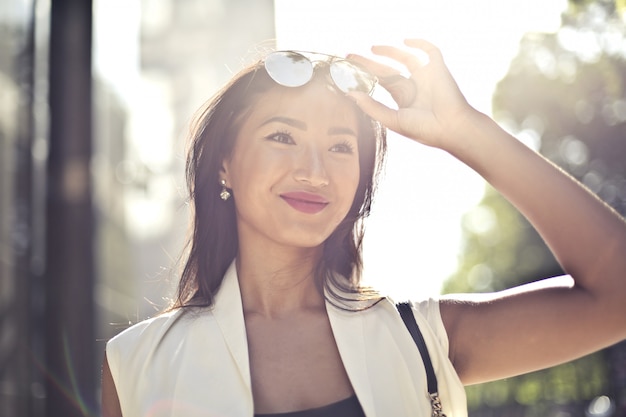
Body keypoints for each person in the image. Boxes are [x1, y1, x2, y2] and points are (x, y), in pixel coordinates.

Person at [101, 39, 626, 417]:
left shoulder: (420, 340)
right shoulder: (134, 366)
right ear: (224, 165)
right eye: (282, 136)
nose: (314, 169)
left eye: (340, 146)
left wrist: (466, 131)